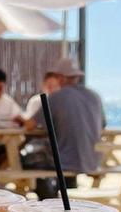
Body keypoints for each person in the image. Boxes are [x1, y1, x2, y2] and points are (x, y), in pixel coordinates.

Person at [24, 57, 105, 199]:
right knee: (62, 155)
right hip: (93, 160)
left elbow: (29, 125)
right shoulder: (95, 96)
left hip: (66, 162)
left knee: (27, 161)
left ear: (60, 78)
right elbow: (103, 124)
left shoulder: (56, 97)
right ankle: (65, 199)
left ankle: (46, 202)